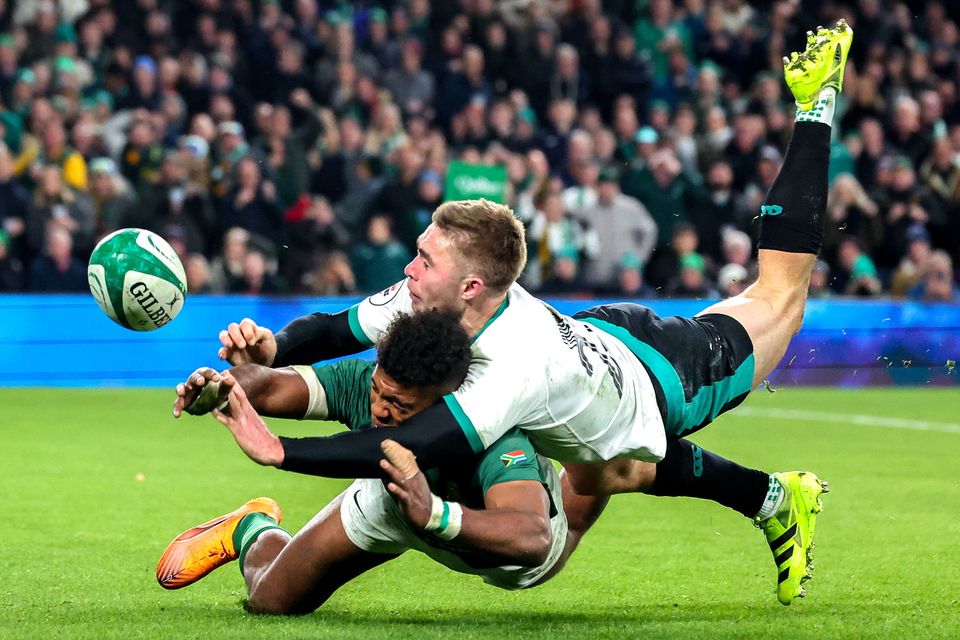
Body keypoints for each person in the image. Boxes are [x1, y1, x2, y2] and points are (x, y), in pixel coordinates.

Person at [194, 21, 852, 606]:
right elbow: (337, 330)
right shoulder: (428, 301)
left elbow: (415, 443)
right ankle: (771, 497)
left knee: (777, 300)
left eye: (423, 259)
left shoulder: (510, 369)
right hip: (589, 344)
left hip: (657, 374)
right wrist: (270, 352)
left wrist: (281, 452)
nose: (408, 270)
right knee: (608, 462)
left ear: (472, 284)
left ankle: (815, 106)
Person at [160, 310, 606, 613]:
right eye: (378, 389)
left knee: (585, 505)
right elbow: (270, 384)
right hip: (390, 504)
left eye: (399, 405)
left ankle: (633, 451)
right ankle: (250, 526)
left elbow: (533, 537)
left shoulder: (494, 439)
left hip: (470, 526)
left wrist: (434, 514)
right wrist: (221, 385)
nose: (379, 409)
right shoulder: (371, 384)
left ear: (447, 405)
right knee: (270, 602)